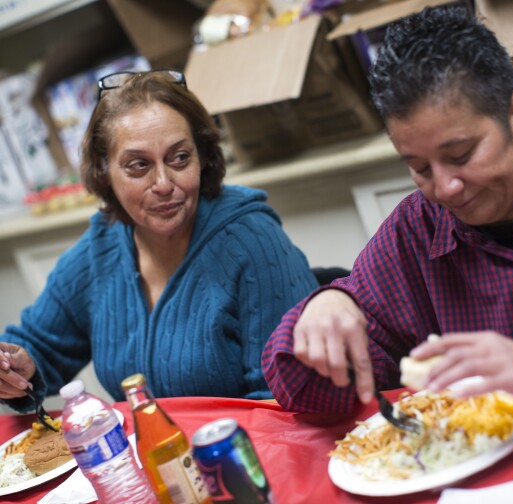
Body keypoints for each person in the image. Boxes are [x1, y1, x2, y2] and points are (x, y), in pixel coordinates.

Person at [262, 2, 513, 425]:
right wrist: (326, 306)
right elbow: (309, 394)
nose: (445, 188)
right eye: (419, 168)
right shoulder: (416, 231)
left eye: (460, 155)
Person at [0, 70, 317, 411]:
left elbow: (287, 400)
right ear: (105, 172)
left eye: (180, 158)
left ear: (204, 157)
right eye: (139, 165)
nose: (164, 183)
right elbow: (38, 346)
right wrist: (16, 367)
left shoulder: (251, 240)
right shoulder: (102, 245)